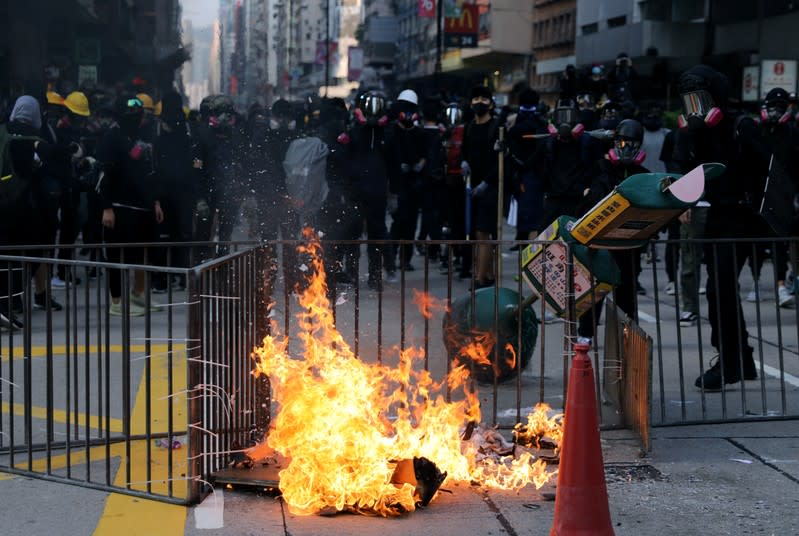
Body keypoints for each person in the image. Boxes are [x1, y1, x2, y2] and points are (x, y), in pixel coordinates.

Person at [672, 64, 760, 391]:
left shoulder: (741, 126)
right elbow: (686, 171)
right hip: (718, 218)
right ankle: (742, 359)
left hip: (743, 219)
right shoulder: (697, 134)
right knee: (719, 288)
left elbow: (769, 169)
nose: (695, 109)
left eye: (701, 100)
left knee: (719, 289)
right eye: (689, 101)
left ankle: (729, 363)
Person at [576, 119, 648, 344]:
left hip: (629, 246)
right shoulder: (599, 169)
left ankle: (628, 340)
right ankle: (585, 336)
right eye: (622, 141)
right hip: (600, 244)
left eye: (632, 143)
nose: (626, 147)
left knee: (626, 296)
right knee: (594, 293)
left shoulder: (643, 175)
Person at [96, 94, 164, 317]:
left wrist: (155, 201)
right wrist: (106, 207)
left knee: (144, 253)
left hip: (143, 206)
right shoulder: (112, 137)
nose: (138, 117)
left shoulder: (142, 135)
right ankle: (116, 302)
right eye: (133, 114)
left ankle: (138, 293)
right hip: (119, 206)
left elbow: (150, 172)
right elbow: (103, 173)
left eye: (140, 113)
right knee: (116, 256)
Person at [345, 90, 396, 290]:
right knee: (353, 233)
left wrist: (394, 192)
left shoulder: (387, 134)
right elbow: (345, 159)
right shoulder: (354, 130)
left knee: (376, 235)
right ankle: (351, 271)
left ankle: (375, 275)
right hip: (356, 192)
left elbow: (393, 163)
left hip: (377, 192)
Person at [460, 85, 501, 289]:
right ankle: (489, 274)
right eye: (475, 98)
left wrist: (487, 182)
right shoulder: (469, 127)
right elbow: (465, 152)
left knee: (483, 232)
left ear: (491, 104)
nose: (479, 102)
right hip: (472, 188)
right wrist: (463, 163)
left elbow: (500, 161)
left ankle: (479, 278)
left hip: (490, 187)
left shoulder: (497, 127)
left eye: (484, 99)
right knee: (477, 233)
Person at [387, 89, 426, 271]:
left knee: (410, 225)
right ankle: (391, 257)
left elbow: (425, 154)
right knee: (398, 223)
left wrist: (419, 164)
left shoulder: (417, 132)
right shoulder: (391, 131)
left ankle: (405, 259)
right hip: (397, 185)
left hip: (413, 185)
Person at [506, 88, 547, 248]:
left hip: (527, 172)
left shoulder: (519, 122)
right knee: (526, 209)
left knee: (529, 211)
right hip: (528, 172)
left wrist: (520, 164)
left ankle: (528, 245)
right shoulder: (539, 122)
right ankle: (525, 242)